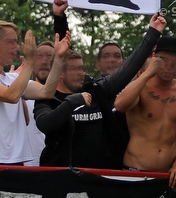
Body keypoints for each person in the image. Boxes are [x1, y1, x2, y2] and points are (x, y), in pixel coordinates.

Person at [35, 13, 165, 168]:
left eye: (82, 68)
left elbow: (127, 70)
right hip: (61, 178)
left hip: (98, 179)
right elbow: (45, 124)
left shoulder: (96, 91)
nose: (82, 73)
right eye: (75, 69)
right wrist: (72, 103)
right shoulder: (48, 98)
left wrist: (153, 33)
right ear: (60, 73)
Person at [0, 21, 69, 165]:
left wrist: (59, 58)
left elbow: (46, 92)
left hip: (17, 161)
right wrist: (30, 62)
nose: (17, 48)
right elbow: (11, 96)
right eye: (11, 42)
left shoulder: (13, 78)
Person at [115, 36, 176, 188]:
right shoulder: (141, 86)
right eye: (164, 60)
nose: (170, 67)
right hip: (136, 169)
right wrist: (147, 73)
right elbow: (120, 105)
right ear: (154, 58)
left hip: (168, 174)